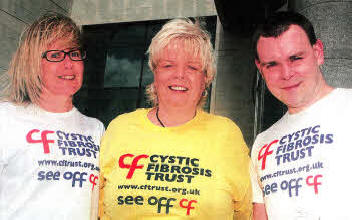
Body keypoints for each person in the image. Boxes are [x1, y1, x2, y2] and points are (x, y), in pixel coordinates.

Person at [99, 18, 252, 219]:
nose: (179, 75)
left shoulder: (227, 135)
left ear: (206, 77)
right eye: (168, 65)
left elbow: (246, 212)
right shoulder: (120, 128)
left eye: (192, 67)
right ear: (154, 71)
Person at [0, 12, 105, 220]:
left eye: (74, 53)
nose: (69, 64)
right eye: (55, 55)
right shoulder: (6, 117)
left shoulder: (96, 129)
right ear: (32, 63)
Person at [250, 11, 352, 219]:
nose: (286, 74)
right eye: (272, 65)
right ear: (260, 69)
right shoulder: (262, 143)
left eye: (295, 58)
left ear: (318, 52)